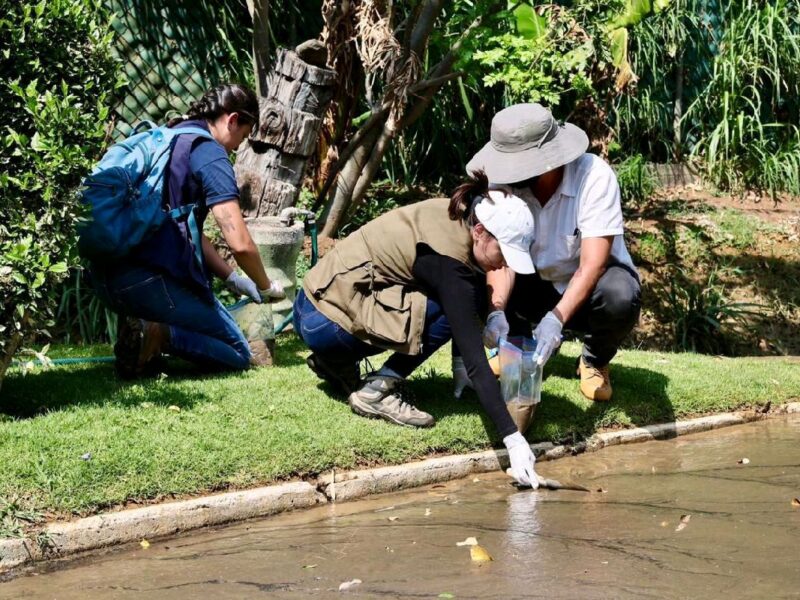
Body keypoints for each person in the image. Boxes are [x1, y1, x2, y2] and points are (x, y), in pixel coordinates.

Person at [293, 174, 541, 487]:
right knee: (453, 309)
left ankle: (336, 361)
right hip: (327, 321)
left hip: (309, 304)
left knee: (464, 298)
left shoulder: (457, 212)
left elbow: (463, 289)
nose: (503, 265)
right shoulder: (450, 266)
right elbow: (477, 354)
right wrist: (513, 440)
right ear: (480, 232)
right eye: (503, 254)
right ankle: (376, 391)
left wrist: (492, 317)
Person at [90, 84, 284, 378]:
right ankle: (158, 333)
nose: (237, 147)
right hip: (150, 283)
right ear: (232, 120)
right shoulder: (210, 154)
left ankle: (146, 337)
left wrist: (233, 279)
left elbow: (182, 225)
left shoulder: (171, 136)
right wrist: (266, 285)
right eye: (242, 136)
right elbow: (240, 242)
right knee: (238, 351)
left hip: (105, 280)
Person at [465, 103, 641, 402]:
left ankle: (593, 360)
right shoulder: (501, 183)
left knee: (621, 295)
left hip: (588, 291)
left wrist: (555, 320)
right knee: (473, 266)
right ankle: (516, 345)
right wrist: (496, 311)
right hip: (531, 283)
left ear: (548, 160)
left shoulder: (594, 177)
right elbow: (499, 258)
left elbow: (592, 266)